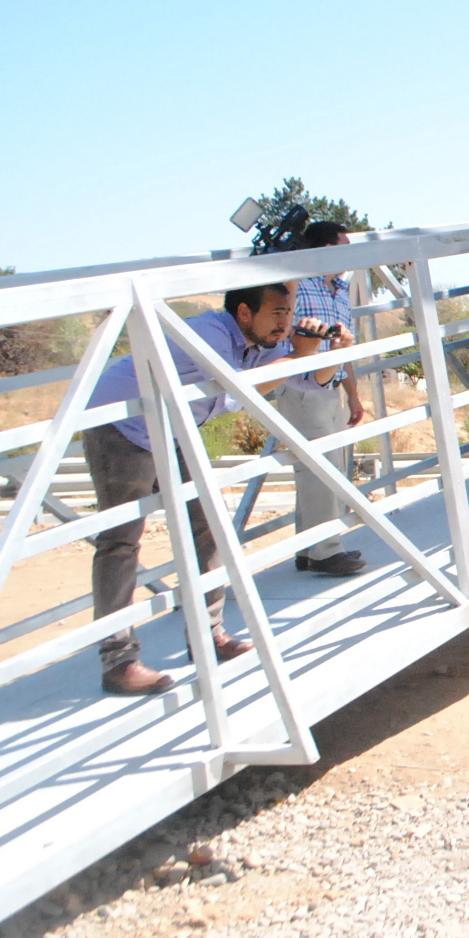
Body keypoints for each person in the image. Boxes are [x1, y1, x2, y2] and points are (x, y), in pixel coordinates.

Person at [82, 284, 312, 694]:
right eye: (277, 312)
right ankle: (118, 662)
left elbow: (309, 378)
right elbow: (238, 389)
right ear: (245, 312)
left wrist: (318, 349)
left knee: (210, 524)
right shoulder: (208, 333)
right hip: (123, 423)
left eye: (289, 313)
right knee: (122, 540)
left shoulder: (259, 344)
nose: (285, 322)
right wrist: (297, 355)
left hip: (173, 429)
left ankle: (208, 634)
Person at [276, 221, 367, 576]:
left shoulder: (340, 291)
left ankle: (308, 548)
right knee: (319, 472)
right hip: (300, 386)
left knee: (325, 469)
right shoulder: (297, 285)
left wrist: (354, 395)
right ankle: (326, 552)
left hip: (331, 388)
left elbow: (345, 347)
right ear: (327, 248)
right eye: (344, 244)